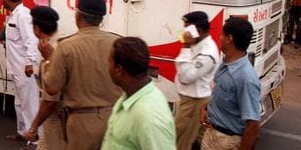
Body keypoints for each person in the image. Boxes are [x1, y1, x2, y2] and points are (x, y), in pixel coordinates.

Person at [43, 0, 120, 150]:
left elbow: (51, 88)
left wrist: (48, 60)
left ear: (78, 17)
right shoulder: (117, 43)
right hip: (115, 120)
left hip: (82, 123)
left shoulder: (66, 46)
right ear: (101, 20)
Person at [102, 37, 176, 149]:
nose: (108, 68)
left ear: (119, 70)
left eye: (109, 63)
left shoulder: (150, 116)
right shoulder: (128, 97)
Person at [200, 18, 261, 150]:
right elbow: (221, 92)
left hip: (226, 142)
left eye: (222, 34)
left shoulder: (246, 78)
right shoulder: (226, 63)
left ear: (229, 39)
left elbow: (253, 126)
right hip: (212, 135)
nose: (219, 37)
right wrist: (207, 108)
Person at [174, 11, 219, 150]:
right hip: (192, 100)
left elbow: (185, 77)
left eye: (187, 28)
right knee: (200, 142)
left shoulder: (207, 53)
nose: (184, 32)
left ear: (198, 30)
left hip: (193, 103)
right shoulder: (198, 43)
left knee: (180, 142)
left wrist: (186, 47)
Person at [1, 0, 39, 146]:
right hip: (16, 67)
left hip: (24, 68)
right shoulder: (14, 15)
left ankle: (35, 139)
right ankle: (23, 132)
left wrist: (30, 62)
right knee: (19, 102)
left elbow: (31, 40)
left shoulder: (23, 15)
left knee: (29, 103)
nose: (2, 1)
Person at [23, 6, 62, 150]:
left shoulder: (49, 49)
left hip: (56, 119)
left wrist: (33, 128)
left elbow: (50, 99)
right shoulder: (60, 42)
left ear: (37, 29)